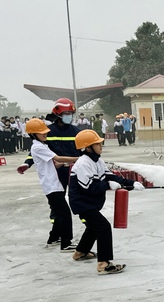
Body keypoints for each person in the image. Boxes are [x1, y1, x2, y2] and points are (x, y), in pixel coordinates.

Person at [69, 130, 144, 275]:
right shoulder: (84, 163)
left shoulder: (97, 160)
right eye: (97, 143)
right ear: (88, 147)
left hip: (91, 203)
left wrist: (131, 184)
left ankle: (80, 252)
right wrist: (108, 185)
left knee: (93, 227)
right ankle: (103, 264)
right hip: (82, 203)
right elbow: (89, 187)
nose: (101, 145)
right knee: (103, 227)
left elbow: (111, 176)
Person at [17, 98, 82, 245]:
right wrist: (27, 164)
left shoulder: (76, 132)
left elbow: (83, 150)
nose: (69, 116)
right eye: (66, 113)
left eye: (71, 113)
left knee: (75, 200)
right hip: (55, 174)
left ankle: (55, 236)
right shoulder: (47, 132)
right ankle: (61, 237)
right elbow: (38, 153)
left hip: (72, 172)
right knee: (59, 208)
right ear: (58, 114)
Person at [26, 118, 79, 252]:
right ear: (33, 134)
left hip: (53, 184)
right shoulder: (37, 147)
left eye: (45, 132)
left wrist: (67, 163)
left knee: (60, 212)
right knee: (65, 214)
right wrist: (79, 159)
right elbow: (58, 158)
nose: (45, 134)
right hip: (51, 186)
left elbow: (55, 164)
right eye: (41, 132)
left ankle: (54, 238)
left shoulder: (42, 145)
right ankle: (66, 243)